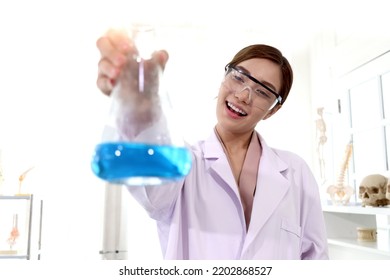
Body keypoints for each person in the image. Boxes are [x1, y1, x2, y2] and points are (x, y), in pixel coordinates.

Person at [96, 29, 329, 260]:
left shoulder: (296, 172)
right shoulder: (184, 162)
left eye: (263, 91)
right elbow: (152, 191)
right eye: (238, 77)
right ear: (224, 78)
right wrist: (139, 110)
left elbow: (316, 259)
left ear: (272, 110)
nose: (243, 95)